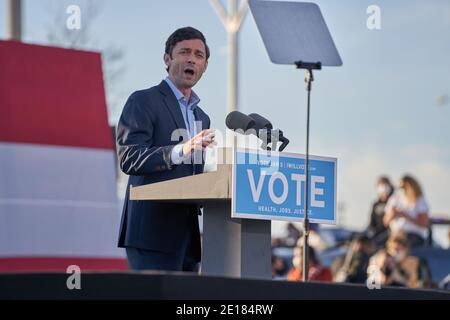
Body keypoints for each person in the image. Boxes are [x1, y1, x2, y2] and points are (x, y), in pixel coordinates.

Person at [116, 27, 216, 271]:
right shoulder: (143, 100)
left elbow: (192, 178)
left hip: (188, 240)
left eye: (199, 55)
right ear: (167, 59)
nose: (192, 59)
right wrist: (180, 150)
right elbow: (130, 157)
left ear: (204, 66)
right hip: (151, 234)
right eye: (184, 52)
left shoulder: (202, 116)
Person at [367, 232, 432, 288]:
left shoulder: (417, 263)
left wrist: (400, 278)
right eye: (393, 249)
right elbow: (372, 286)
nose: (395, 253)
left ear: (406, 250)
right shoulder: (377, 260)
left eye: (399, 249)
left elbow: (420, 287)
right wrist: (384, 272)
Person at [383, 175, 430, 247]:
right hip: (395, 235)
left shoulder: (420, 200)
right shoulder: (395, 198)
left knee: (401, 247)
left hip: (413, 236)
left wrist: (405, 215)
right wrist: (392, 215)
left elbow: (424, 223)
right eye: (401, 187)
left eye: (405, 187)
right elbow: (385, 222)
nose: (403, 190)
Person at [366, 176, 394, 246]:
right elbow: (371, 222)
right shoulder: (375, 204)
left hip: (389, 233)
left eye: (385, 185)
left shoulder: (394, 201)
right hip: (377, 232)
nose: (383, 188)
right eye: (381, 185)